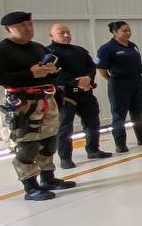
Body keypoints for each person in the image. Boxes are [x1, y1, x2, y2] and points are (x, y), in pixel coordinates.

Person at [0, 11, 78, 201]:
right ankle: (31, 186)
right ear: (8, 29)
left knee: (49, 141)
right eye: (21, 26)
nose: (28, 29)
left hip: (46, 100)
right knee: (28, 145)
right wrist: (29, 74)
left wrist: (51, 71)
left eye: (29, 24)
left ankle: (48, 178)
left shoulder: (38, 48)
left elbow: (51, 73)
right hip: (24, 104)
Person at [48, 23, 112, 169]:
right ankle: (65, 158)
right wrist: (76, 81)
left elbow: (91, 66)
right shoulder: (49, 53)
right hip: (65, 95)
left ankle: (93, 150)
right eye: (61, 33)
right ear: (51, 35)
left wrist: (88, 79)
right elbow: (55, 72)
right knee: (65, 128)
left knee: (93, 122)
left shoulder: (79, 50)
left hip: (85, 92)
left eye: (67, 32)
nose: (66, 35)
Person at [96, 21, 142, 153]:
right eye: (124, 31)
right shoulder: (107, 48)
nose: (128, 33)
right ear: (115, 32)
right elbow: (101, 68)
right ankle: (120, 144)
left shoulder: (132, 46)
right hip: (119, 84)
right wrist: (111, 80)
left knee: (139, 112)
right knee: (119, 115)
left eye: (129, 30)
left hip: (136, 81)